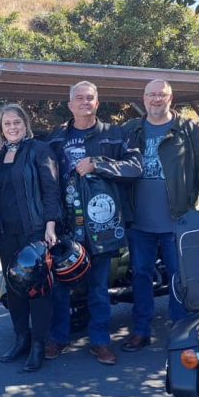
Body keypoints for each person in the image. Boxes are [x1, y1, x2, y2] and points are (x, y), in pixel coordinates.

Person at [45, 81, 142, 366]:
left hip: (101, 225)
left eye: (90, 98)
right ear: (70, 104)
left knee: (99, 288)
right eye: (79, 98)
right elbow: (37, 165)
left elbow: (135, 167)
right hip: (65, 224)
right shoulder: (56, 138)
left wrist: (98, 164)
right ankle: (59, 337)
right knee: (61, 286)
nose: (85, 102)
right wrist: (3, 146)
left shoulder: (115, 134)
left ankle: (100, 342)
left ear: (97, 103)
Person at [120, 79, 199, 352]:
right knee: (140, 276)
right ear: (144, 98)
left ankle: (181, 332)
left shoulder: (189, 129)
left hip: (179, 220)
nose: (156, 99)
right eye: (151, 94)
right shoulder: (131, 129)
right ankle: (141, 330)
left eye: (161, 95)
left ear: (170, 98)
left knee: (180, 277)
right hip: (139, 222)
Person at [0, 104, 61, 373]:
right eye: (7, 124)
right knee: (14, 287)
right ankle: (21, 338)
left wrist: (50, 225)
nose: (12, 127)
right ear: (1, 128)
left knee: (37, 289)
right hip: (7, 231)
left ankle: (39, 345)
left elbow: (51, 189)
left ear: (25, 124)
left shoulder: (39, 150)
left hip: (34, 230)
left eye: (16, 122)